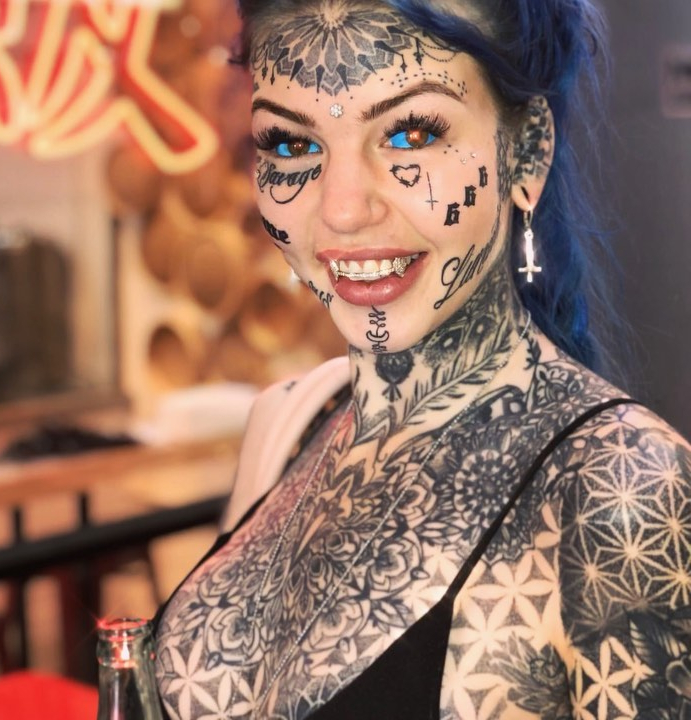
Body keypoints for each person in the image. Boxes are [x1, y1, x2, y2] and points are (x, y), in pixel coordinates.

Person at [154, 1, 691, 718]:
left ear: (527, 151)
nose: (342, 210)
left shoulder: (621, 491)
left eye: (411, 133)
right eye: (290, 143)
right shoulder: (289, 423)